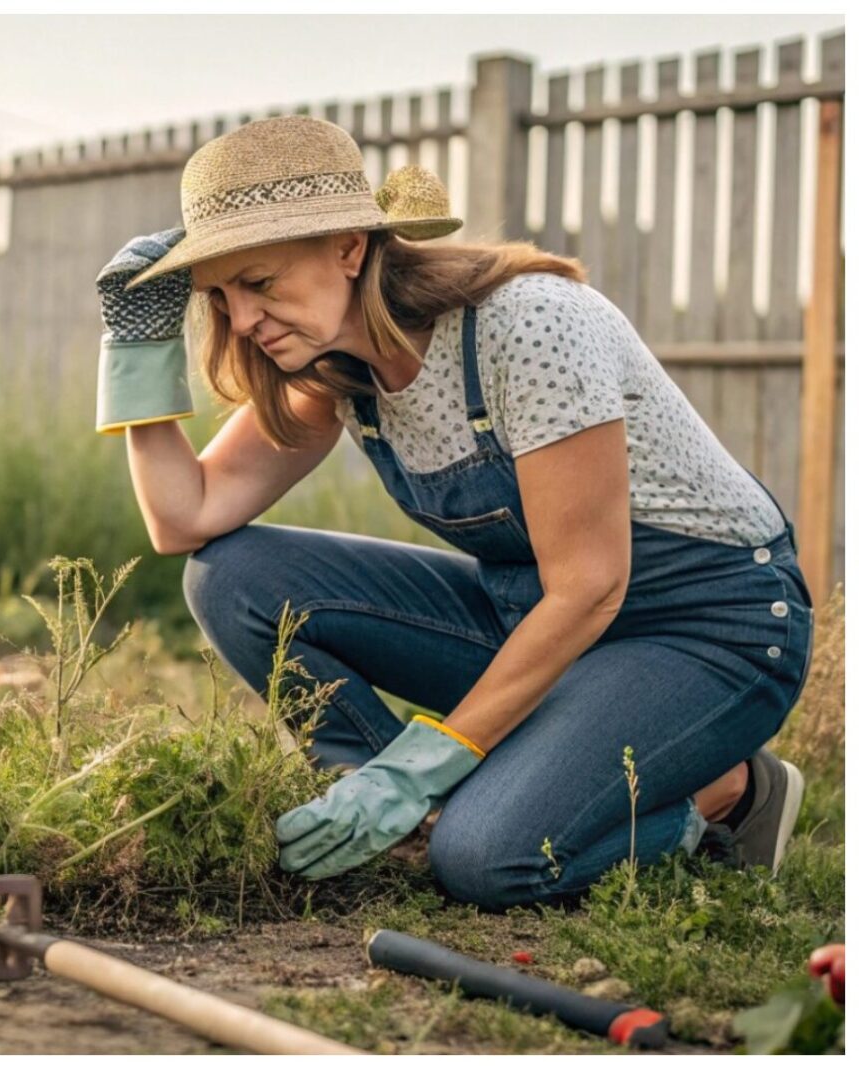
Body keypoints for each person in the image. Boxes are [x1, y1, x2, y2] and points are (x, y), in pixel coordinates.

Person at [94, 115, 813, 910]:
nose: (243, 320)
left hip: (705, 629)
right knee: (231, 575)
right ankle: (400, 821)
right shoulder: (336, 366)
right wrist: (135, 348)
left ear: (349, 248)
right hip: (537, 621)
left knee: (486, 859)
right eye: (219, 298)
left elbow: (591, 584)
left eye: (259, 283)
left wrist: (426, 756)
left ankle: (723, 794)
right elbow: (183, 519)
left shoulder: (528, 323)